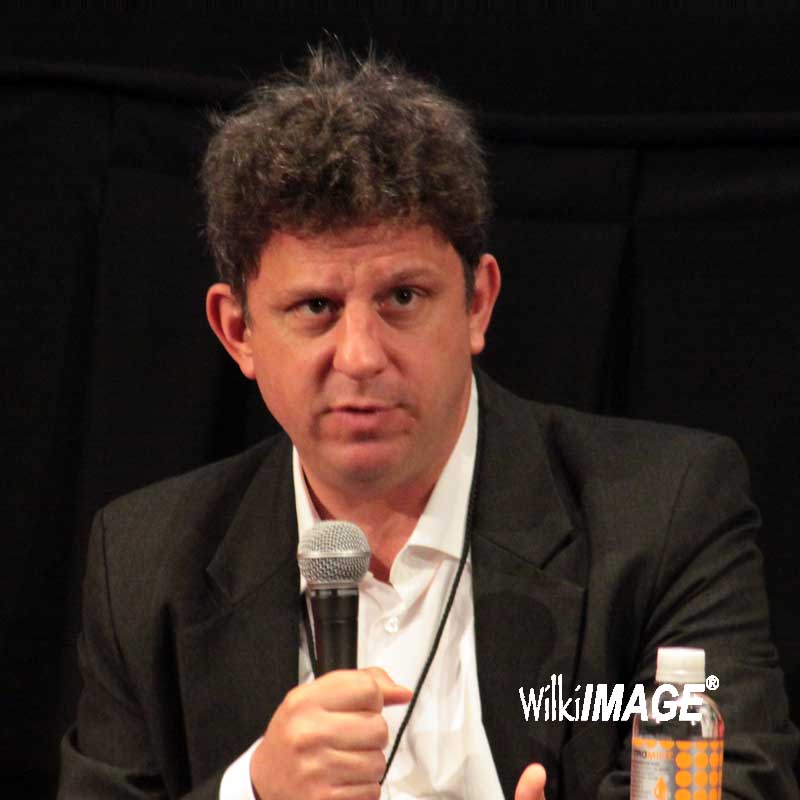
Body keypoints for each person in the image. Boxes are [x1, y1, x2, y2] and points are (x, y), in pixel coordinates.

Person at [58, 45, 799, 800]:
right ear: (238, 331)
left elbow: (739, 779)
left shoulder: (662, 513)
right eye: (316, 307)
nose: (361, 356)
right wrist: (252, 790)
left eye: (403, 298)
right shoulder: (145, 563)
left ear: (477, 303)